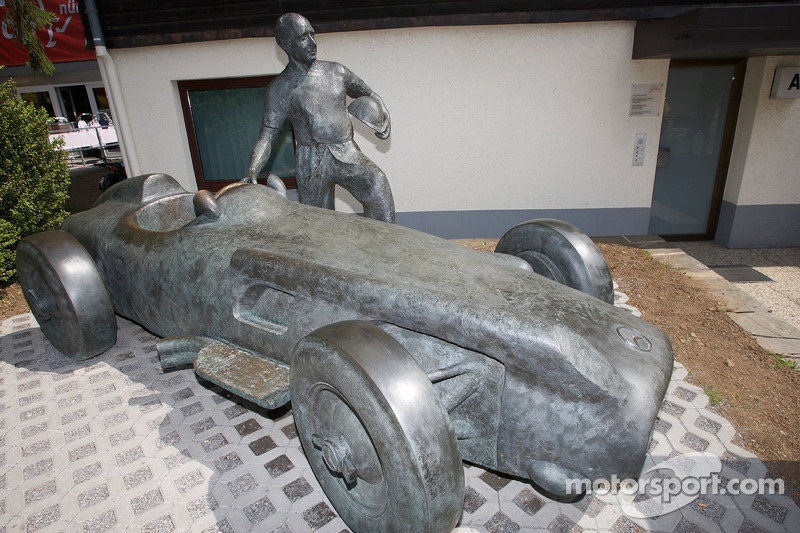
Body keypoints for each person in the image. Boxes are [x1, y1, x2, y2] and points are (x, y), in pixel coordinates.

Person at [243, 13, 395, 223]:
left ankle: (385, 248)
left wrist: (383, 115)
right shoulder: (279, 89)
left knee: (377, 184)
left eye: (312, 35)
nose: (312, 43)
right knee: (319, 223)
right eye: (303, 37)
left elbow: (368, 94)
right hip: (311, 159)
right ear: (286, 44)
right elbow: (266, 138)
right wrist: (253, 171)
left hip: (346, 150)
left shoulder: (337, 71)